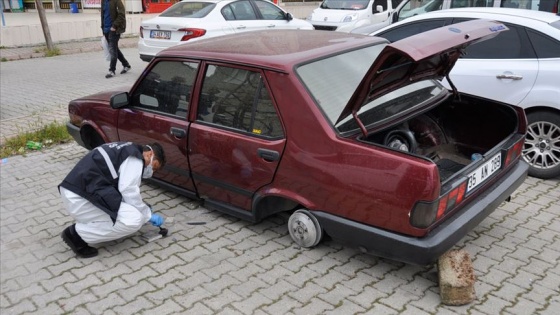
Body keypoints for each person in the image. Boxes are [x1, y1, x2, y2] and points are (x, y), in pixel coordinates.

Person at [59, 142, 166, 258]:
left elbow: (120, 187)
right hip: (81, 199)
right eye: (153, 166)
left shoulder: (127, 149)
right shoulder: (135, 158)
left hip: (76, 193)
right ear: (150, 154)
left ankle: (89, 225)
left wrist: (142, 207)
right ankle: (77, 234)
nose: (151, 170)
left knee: (132, 211)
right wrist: (146, 214)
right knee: (134, 220)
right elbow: (128, 190)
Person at [101, 0, 132, 79]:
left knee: (112, 50)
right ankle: (126, 65)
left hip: (114, 30)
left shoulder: (117, 1)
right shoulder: (103, 1)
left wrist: (114, 26)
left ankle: (112, 70)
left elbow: (121, 14)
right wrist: (103, 28)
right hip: (106, 30)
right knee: (115, 49)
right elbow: (103, 15)